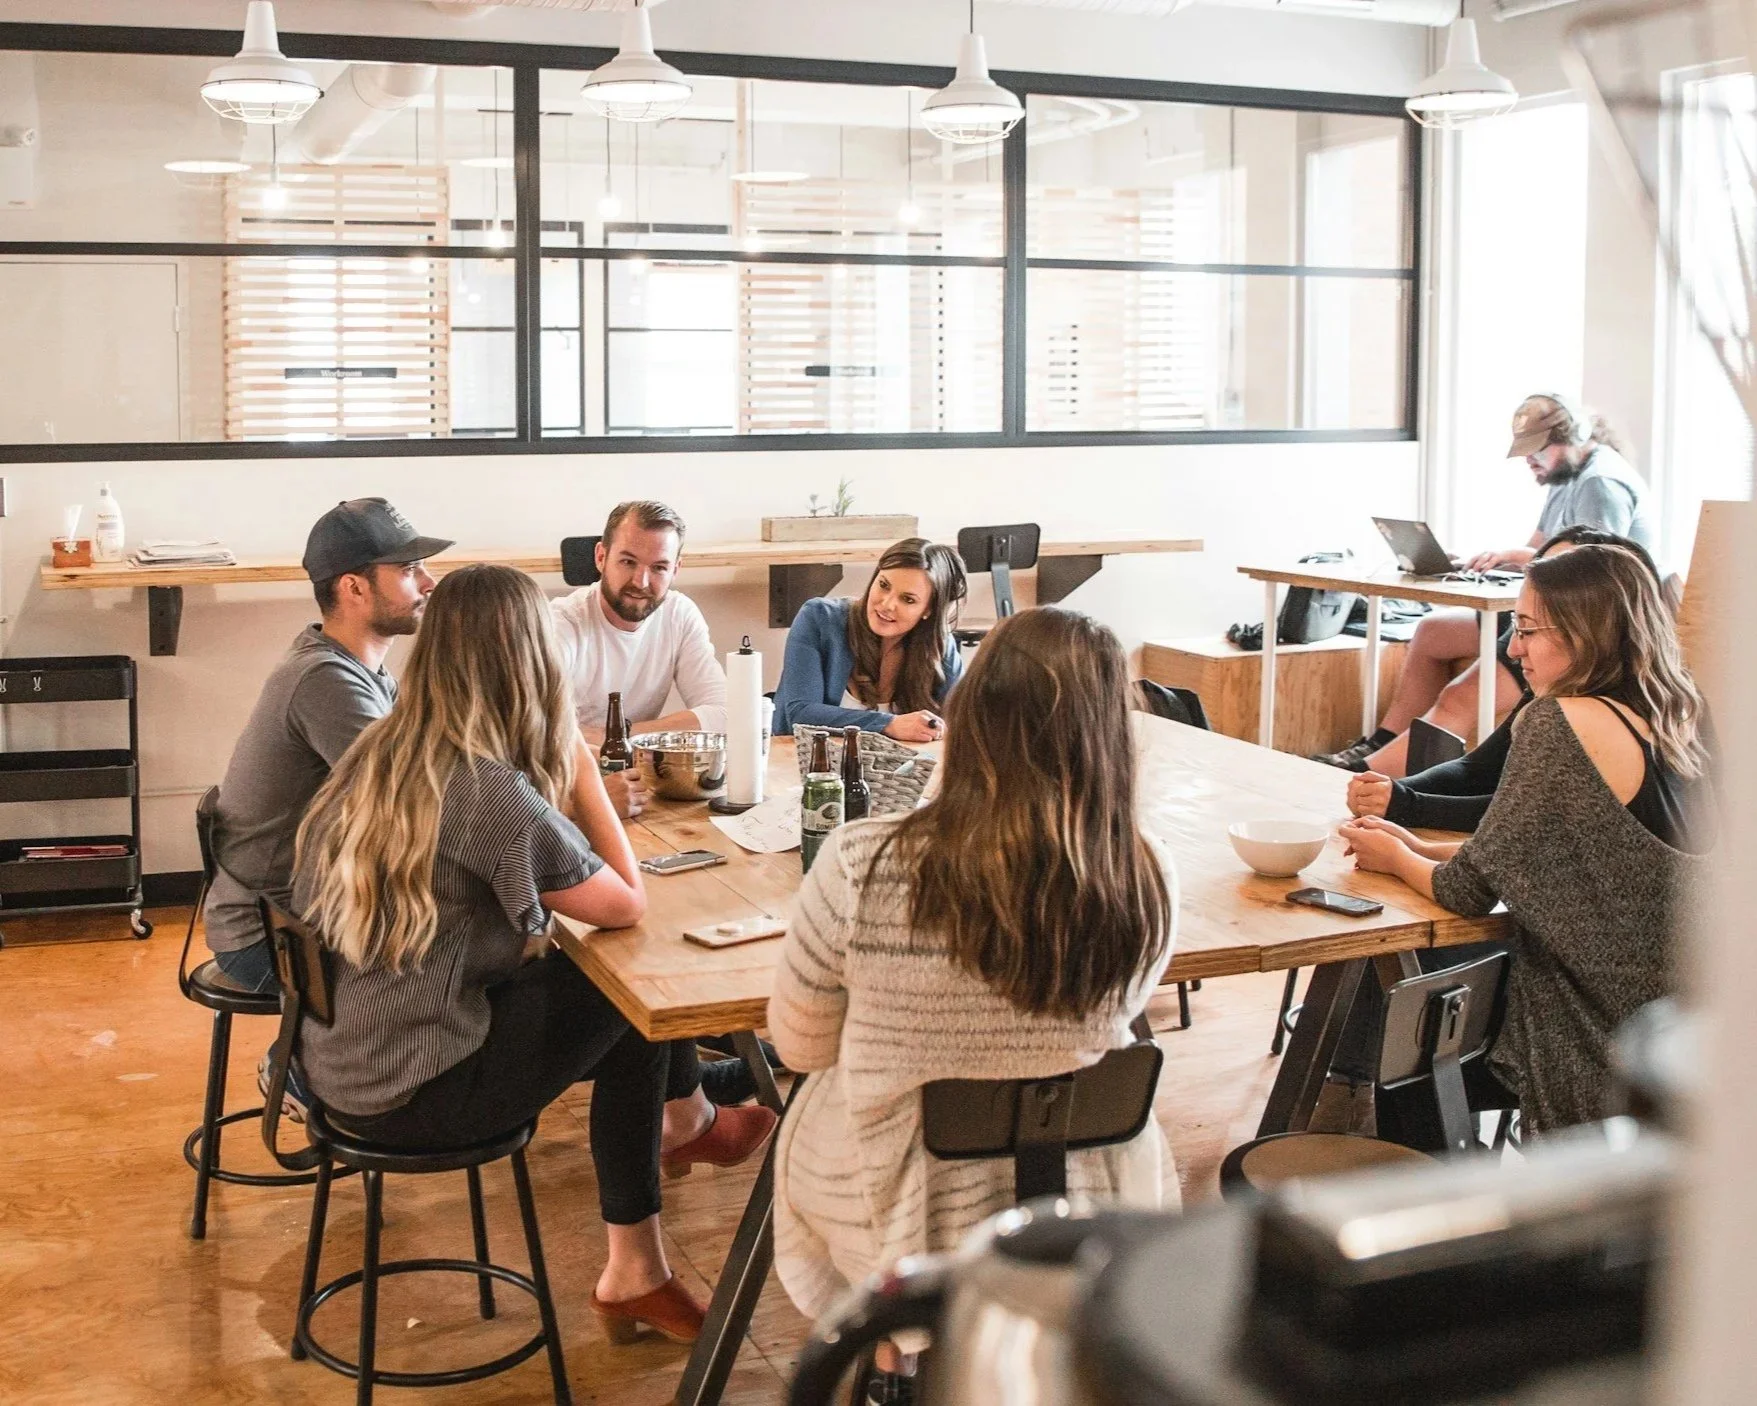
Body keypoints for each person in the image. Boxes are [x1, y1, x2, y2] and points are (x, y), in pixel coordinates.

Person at [292, 565, 776, 1345]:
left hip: (340, 1059)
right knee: (626, 992)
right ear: (532, 663)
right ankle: (660, 1196)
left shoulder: (381, 751)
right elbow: (625, 901)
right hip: (416, 1090)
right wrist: (580, 764)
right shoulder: (486, 791)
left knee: (599, 990)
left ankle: (673, 1166)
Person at [769, 608, 1177, 1397]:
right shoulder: (1144, 870)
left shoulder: (864, 860)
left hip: (900, 1198)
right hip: (1084, 1191)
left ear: (970, 713)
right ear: (1109, 730)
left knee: (823, 1094)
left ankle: (894, 1351)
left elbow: (800, 1046)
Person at [1341, 544, 1714, 1134]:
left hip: (1596, 1034)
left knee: (1409, 1054)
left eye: (1526, 630)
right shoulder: (1674, 713)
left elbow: (1466, 891)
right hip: (1680, 1026)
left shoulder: (1561, 720)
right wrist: (1413, 847)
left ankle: (1425, 1188)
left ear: (1584, 632)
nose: (1513, 650)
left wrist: (1393, 857)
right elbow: (1558, 858)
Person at [1317, 393, 1656, 773]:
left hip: (1579, 627)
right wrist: (1492, 562)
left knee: (1459, 696)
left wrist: (1521, 558)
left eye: (1537, 450)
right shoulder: (1566, 476)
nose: (1529, 460)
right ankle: (1381, 743)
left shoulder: (1601, 483)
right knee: (1432, 632)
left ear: (1573, 437)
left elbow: (1593, 575)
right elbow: (1541, 548)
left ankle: (1371, 776)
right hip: (1551, 613)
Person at [202, 497, 451, 997]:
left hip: (308, 916)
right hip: (275, 941)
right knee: (479, 965)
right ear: (354, 587)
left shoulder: (362, 672)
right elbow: (417, 802)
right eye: (409, 570)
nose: (429, 583)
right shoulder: (326, 681)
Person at [1345, 528, 1666, 832]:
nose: (1513, 649)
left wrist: (1404, 804)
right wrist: (1392, 791)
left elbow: (1518, 822)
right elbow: (1480, 771)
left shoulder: (1581, 716)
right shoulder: (1569, 688)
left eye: (1529, 628)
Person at [551, 501, 727, 821]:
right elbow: (542, 735)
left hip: (640, 790)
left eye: (659, 567)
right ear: (601, 557)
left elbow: (725, 715)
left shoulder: (679, 614)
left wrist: (621, 740)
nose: (641, 582)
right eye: (628, 562)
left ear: (675, 570)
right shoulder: (560, 624)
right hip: (566, 791)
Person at [771, 537, 967, 742]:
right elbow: (800, 714)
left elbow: (963, 720)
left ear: (929, 610)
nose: (887, 604)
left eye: (908, 599)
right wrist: (888, 724)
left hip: (905, 763)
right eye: (884, 585)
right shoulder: (820, 618)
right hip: (801, 760)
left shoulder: (938, 644)